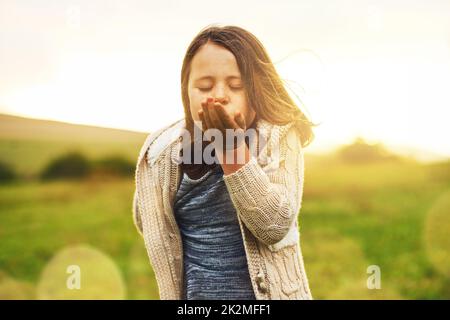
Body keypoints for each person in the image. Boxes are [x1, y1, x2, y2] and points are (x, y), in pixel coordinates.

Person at [133, 24, 315, 300]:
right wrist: (193, 161)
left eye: (236, 85)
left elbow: (274, 225)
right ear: (187, 92)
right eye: (205, 86)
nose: (219, 94)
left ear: (257, 91)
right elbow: (147, 220)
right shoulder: (164, 150)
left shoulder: (278, 137)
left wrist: (230, 149)